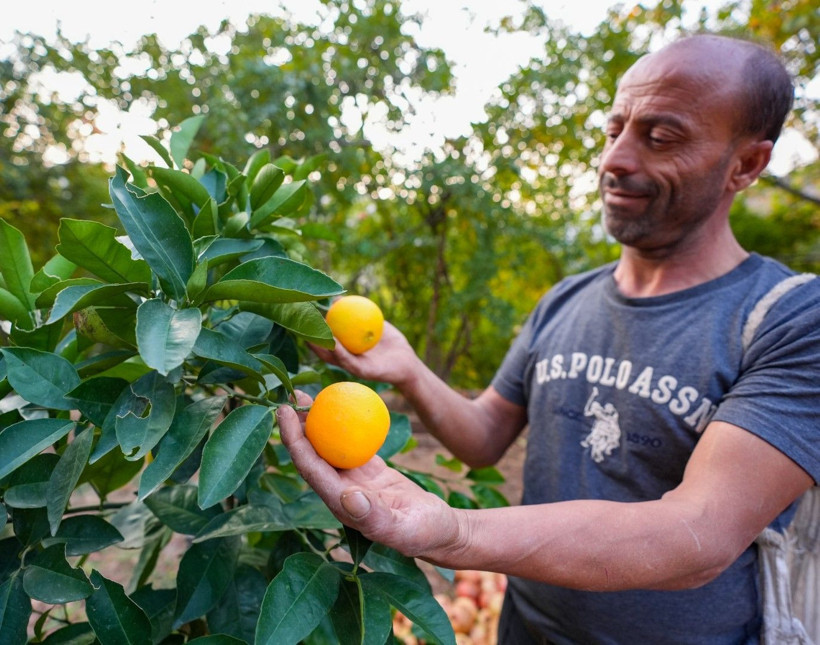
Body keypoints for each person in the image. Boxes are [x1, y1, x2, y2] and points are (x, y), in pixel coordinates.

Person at [278, 33, 820, 644]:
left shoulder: (793, 319)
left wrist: (457, 533)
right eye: (614, 130)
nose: (616, 159)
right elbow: (484, 438)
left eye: (660, 137)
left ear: (746, 164)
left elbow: (700, 533)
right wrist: (408, 369)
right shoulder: (566, 299)